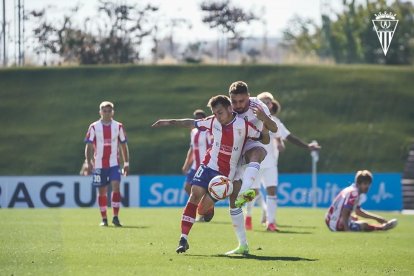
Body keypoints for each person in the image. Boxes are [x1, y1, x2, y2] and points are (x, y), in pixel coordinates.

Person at [151, 95, 270, 254]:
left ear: (229, 109)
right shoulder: (213, 121)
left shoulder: (244, 125)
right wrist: (169, 121)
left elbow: (264, 138)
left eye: (219, 112)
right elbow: (190, 123)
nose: (217, 116)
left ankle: (208, 208)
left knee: (202, 210)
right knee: (194, 195)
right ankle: (183, 239)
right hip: (208, 165)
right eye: (214, 113)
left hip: (225, 175)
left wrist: (266, 124)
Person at [245, 92, 321, 232]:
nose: (267, 104)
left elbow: (289, 137)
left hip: (270, 164)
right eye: (264, 101)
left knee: (272, 191)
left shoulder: (276, 122)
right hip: (254, 163)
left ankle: (270, 223)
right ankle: (248, 216)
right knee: (253, 193)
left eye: (269, 102)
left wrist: (307, 146)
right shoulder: (250, 120)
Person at [225, 81, 278, 255]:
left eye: (242, 101)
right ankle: (243, 245)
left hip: (250, 144)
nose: (238, 105)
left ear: (248, 96)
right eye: (234, 101)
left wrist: (264, 118)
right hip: (231, 150)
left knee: (258, 152)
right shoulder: (226, 108)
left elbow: (271, 132)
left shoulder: (259, 106)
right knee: (231, 202)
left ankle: (246, 190)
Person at [84, 101, 130, 227]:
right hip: (98, 165)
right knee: (102, 191)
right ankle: (104, 218)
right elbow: (88, 146)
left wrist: (126, 163)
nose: (107, 113)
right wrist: (88, 163)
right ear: (100, 112)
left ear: (112, 112)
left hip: (114, 164)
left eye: (109, 111)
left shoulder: (118, 126)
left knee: (116, 187)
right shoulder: (94, 127)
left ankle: (115, 217)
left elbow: (123, 145)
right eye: (104, 111)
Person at [325, 170, 397, 232]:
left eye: (369, 184)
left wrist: (378, 218)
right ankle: (382, 228)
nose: (367, 187)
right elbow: (345, 211)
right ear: (358, 183)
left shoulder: (351, 189)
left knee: (355, 218)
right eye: (365, 184)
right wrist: (347, 230)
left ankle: (382, 226)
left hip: (330, 221)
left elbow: (357, 211)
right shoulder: (354, 193)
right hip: (336, 225)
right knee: (364, 225)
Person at [181, 109, 212, 196]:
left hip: (206, 166)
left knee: (204, 190)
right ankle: (198, 205)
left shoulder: (209, 132)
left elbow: (213, 147)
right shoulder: (194, 132)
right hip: (195, 166)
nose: (198, 120)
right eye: (196, 119)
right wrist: (186, 164)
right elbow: (192, 149)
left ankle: (204, 206)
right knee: (187, 187)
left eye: (200, 118)